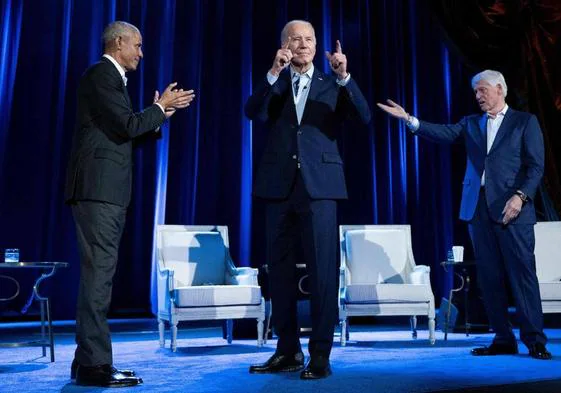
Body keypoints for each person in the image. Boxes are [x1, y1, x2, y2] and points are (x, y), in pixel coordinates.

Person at [377, 69, 551, 360]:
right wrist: (410, 119)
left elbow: (535, 167)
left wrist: (520, 197)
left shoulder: (524, 122)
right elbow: (444, 132)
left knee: (522, 276)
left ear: (500, 89)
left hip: (513, 209)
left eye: (483, 90)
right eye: (475, 92)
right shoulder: (471, 123)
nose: (478, 96)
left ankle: (535, 340)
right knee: (489, 277)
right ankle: (503, 337)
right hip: (478, 209)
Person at [64, 21, 195, 387]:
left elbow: (122, 134)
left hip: (104, 192)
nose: (140, 52)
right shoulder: (102, 75)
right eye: (137, 45)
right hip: (98, 191)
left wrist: (159, 116)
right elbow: (125, 125)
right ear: (118, 42)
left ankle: (85, 361)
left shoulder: (110, 79)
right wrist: (157, 107)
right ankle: (95, 366)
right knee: (99, 279)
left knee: (98, 277)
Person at [245, 20, 371, 379]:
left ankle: (320, 355)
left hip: (321, 188)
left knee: (322, 274)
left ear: (318, 46)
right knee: (280, 273)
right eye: (296, 39)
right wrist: (273, 71)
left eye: (309, 39)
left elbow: (364, 116)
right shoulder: (277, 82)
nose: (303, 45)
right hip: (279, 188)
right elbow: (252, 111)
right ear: (284, 44)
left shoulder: (333, 83)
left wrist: (346, 76)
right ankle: (287, 351)